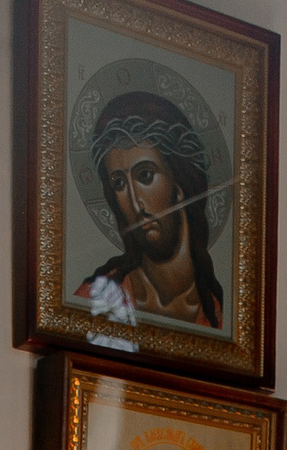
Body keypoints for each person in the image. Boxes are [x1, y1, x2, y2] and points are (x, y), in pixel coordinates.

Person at [77, 89, 225, 328]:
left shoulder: (219, 317)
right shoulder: (97, 299)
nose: (135, 203)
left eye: (145, 175)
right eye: (119, 183)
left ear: (179, 182)